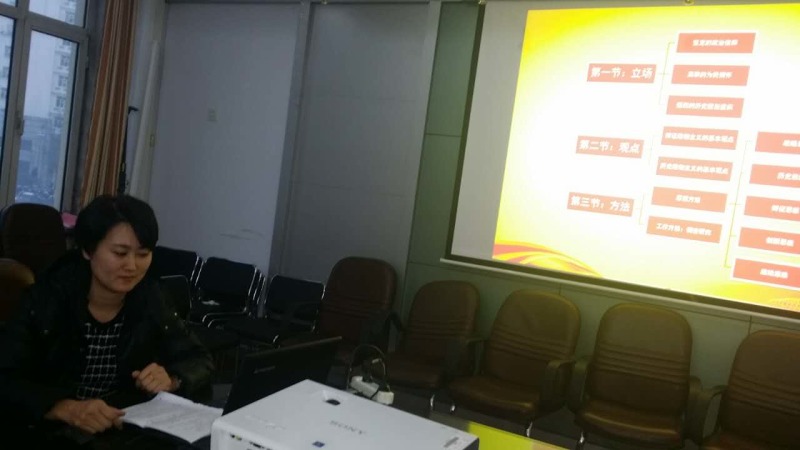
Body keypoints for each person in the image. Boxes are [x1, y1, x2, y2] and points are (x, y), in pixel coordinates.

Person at [0, 194, 213, 436]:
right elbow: (6, 380)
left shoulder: (151, 297)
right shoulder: (45, 299)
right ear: (88, 250)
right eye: (120, 253)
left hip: (120, 429)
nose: (132, 266)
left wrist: (172, 379)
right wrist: (62, 407)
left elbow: (199, 358)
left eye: (143, 254)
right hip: (49, 433)